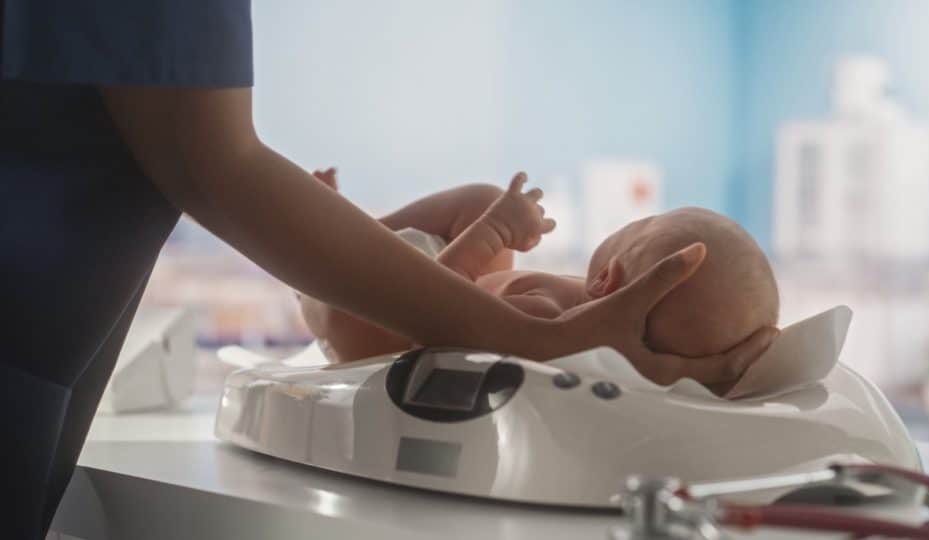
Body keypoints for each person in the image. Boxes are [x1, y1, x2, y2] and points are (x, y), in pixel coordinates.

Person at [0, 2, 776, 537]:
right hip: (33, 332)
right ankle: (350, 240)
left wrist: (509, 303)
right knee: (469, 205)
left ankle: (344, 245)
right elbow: (210, 158)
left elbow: (208, 158)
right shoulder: (557, 316)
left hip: (44, 338)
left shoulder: (559, 322)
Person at [301, 170, 780, 393]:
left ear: (608, 280)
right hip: (440, 283)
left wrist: (492, 232)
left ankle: (335, 231)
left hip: (367, 319)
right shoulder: (576, 312)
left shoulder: (545, 317)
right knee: (481, 198)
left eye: (640, 226)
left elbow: (427, 309)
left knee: (483, 202)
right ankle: (355, 230)